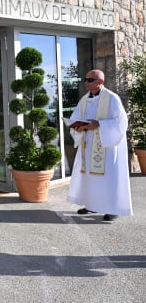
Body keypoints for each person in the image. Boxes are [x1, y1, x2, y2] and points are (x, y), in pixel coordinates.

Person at [67, 69, 133, 221]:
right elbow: (76, 117)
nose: (86, 83)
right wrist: (78, 127)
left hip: (107, 147)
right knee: (90, 177)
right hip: (89, 146)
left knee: (108, 177)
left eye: (90, 80)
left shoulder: (112, 98)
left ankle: (112, 208)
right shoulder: (84, 100)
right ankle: (92, 205)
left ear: (100, 82)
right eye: (85, 79)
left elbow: (121, 122)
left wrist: (100, 125)